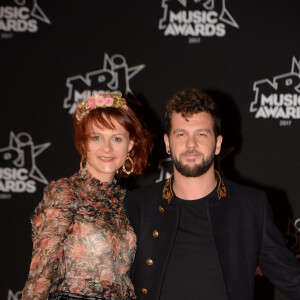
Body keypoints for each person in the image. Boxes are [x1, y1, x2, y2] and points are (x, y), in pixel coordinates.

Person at [124, 89, 300, 300]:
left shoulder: (250, 206)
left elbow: (292, 279)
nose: (191, 144)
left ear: (217, 143)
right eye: (181, 134)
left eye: (201, 134)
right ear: (167, 143)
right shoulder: (138, 205)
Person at [22, 91, 152, 300]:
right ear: (84, 143)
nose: (107, 148)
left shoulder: (129, 201)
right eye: (97, 137)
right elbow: (40, 274)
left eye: (117, 138)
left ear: (130, 145)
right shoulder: (65, 192)